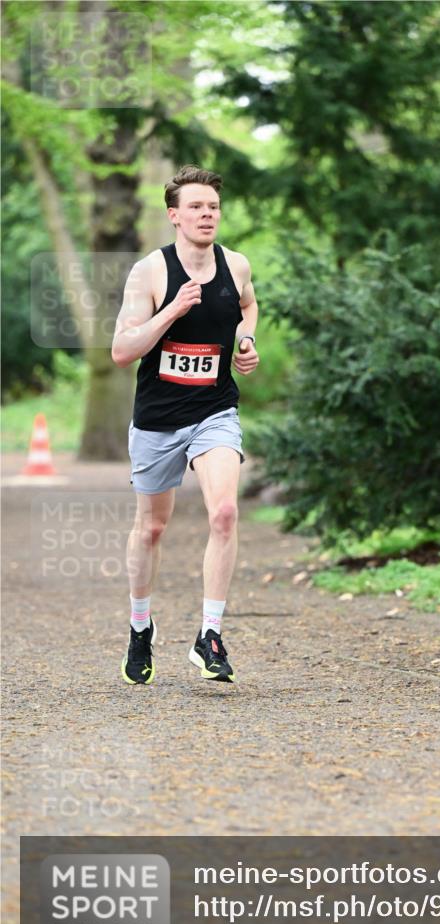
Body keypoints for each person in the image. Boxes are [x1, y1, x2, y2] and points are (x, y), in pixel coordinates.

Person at [111, 164, 259, 686]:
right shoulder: (150, 273)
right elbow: (122, 351)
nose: (207, 214)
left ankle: (210, 635)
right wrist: (170, 311)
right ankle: (139, 626)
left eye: (213, 207)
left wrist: (245, 341)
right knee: (152, 527)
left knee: (224, 512)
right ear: (174, 216)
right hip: (157, 419)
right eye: (196, 207)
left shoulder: (235, 265)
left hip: (215, 411)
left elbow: (247, 304)